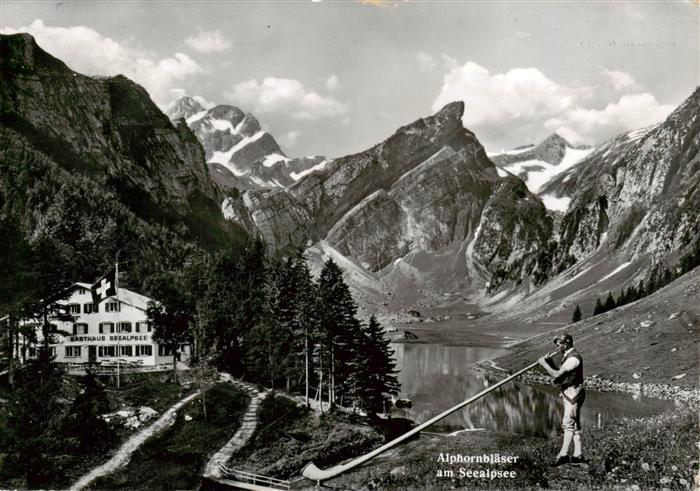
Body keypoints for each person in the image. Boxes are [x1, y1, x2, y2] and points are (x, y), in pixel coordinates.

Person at [538, 333, 586, 466]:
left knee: (568, 424)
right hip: (569, 393)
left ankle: (563, 455)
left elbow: (557, 374)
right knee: (575, 425)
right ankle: (577, 455)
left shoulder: (573, 358)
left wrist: (543, 364)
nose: (558, 347)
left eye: (559, 345)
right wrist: (549, 362)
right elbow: (561, 375)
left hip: (573, 394)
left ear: (567, 343)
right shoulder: (567, 356)